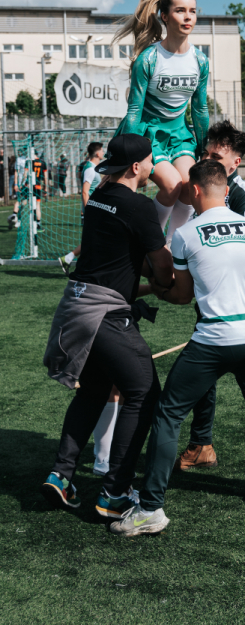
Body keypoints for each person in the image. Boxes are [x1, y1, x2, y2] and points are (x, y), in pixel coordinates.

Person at [109, 160, 245, 538]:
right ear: (226, 190)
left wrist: (153, 288)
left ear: (195, 190)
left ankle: (150, 508)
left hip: (214, 339)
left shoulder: (186, 233)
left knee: (168, 413)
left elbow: (183, 296)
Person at [40, 134, 174, 518]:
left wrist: (145, 284)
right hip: (104, 313)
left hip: (76, 306)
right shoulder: (138, 205)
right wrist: (168, 282)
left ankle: (61, 474)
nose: (153, 167)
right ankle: (114, 492)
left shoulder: (98, 196)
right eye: (150, 161)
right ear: (136, 167)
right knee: (144, 392)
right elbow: (161, 264)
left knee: (94, 390)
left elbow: (120, 257)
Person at [172, 120, 245, 503]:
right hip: (209, 304)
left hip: (240, 310)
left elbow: (229, 251)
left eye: (216, 155)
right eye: (205, 152)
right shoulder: (199, 190)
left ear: (235, 162)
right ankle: (201, 444)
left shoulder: (243, 197)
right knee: (203, 379)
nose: (207, 158)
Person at [113, 0, 209, 245]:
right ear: (164, 16)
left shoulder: (200, 61)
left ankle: (171, 247)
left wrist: (204, 150)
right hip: (149, 134)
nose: (188, 17)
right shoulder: (148, 59)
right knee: (171, 185)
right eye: (180, 10)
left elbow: (200, 110)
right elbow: (134, 110)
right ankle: (150, 244)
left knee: (190, 187)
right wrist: (129, 154)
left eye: (192, 11)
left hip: (180, 134)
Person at [58, 142, 104, 275]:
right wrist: (89, 211)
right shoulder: (90, 169)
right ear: (97, 153)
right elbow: (85, 192)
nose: (103, 152)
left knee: (93, 240)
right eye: (102, 150)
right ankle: (79, 265)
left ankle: (69, 259)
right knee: (94, 240)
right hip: (92, 210)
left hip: (95, 209)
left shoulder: (93, 168)